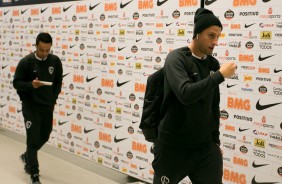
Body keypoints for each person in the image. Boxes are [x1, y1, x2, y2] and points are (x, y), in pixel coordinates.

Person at [152, 8, 236, 184]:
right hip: (172, 147)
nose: (215, 42)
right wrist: (219, 76)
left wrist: (215, 142)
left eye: (218, 37)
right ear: (197, 33)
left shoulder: (212, 64)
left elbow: (213, 105)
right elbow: (186, 94)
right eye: (211, 36)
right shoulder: (177, 59)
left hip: (204, 148)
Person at [13, 32, 63, 184]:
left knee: (45, 135)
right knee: (33, 140)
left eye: (47, 50)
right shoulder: (26, 62)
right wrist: (31, 85)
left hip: (47, 106)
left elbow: (58, 82)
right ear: (35, 46)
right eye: (41, 49)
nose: (44, 53)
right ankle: (34, 174)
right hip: (31, 107)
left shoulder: (55, 61)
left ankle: (28, 156)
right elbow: (17, 83)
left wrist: (53, 99)